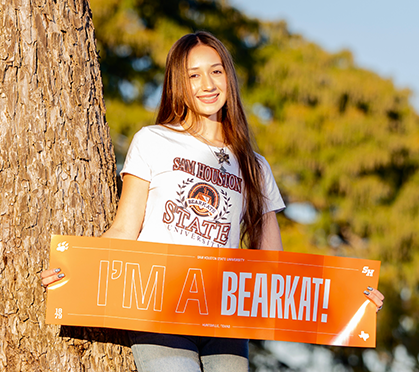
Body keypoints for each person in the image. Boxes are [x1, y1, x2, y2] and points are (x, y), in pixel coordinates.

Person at [41, 31, 384, 371]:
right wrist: (75, 273)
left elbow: (275, 264)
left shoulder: (254, 165)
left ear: (229, 77)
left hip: (227, 316)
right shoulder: (153, 141)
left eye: (216, 71)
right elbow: (123, 231)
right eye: (193, 75)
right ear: (179, 84)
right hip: (160, 308)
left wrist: (352, 300)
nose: (207, 84)